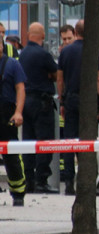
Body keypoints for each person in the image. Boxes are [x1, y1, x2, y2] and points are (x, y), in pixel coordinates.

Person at [57, 20, 99, 196]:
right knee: (88, 143)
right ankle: (87, 183)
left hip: (70, 100)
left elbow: (60, 79)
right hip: (88, 102)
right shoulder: (92, 51)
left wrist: (62, 101)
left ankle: (69, 183)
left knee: (70, 141)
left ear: (76, 32)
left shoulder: (65, 52)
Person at [19, 22, 58, 193]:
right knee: (44, 142)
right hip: (42, 103)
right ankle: (42, 180)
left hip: (25, 101)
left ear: (28, 35)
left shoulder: (23, 54)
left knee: (28, 142)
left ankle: (29, 180)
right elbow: (55, 75)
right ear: (43, 36)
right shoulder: (44, 54)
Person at [0, 40, 27, 206]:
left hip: (6, 115)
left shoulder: (12, 65)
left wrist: (18, 112)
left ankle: (18, 193)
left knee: (11, 155)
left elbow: (20, 89)